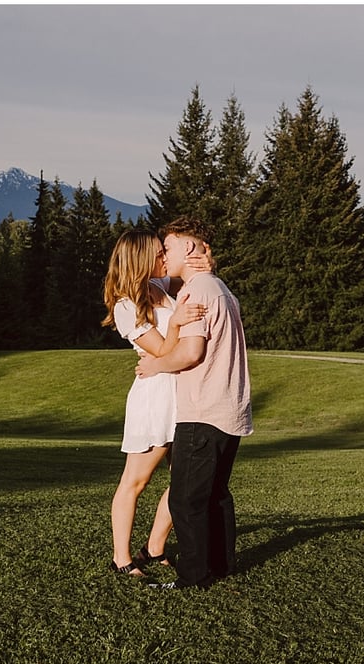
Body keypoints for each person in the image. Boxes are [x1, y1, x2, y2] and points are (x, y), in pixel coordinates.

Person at [136, 216, 252, 589]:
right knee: (216, 494)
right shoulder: (219, 287)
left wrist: (155, 365)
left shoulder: (195, 291)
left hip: (202, 409)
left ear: (187, 247)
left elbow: (191, 352)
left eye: (167, 248)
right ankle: (221, 566)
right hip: (229, 410)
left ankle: (193, 576)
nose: (163, 256)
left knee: (186, 500)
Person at [101, 229, 211, 577]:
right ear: (140, 259)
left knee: (183, 479)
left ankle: (155, 547)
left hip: (183, 391)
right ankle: (121, 559)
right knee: (136, 481)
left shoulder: (159, 287)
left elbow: (191, 277)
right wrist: (177, 322)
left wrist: (203, 262)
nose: (164, 257)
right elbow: (161, 349)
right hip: (155, 396)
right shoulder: (125, 306)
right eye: (158, 253)